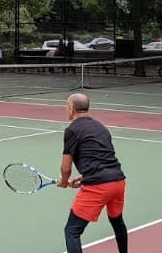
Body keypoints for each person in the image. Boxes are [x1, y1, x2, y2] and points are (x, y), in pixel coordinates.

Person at [58, 93, 128, 253]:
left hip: (98, 186)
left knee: (72, 231)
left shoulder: (71, 130)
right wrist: (83, 178)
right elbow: (104, 157)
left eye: (66, 107)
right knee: (118, 223)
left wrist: (64, 181)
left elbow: (66, 168)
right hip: (118, 182)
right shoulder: (101, 127)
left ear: (71, 108)